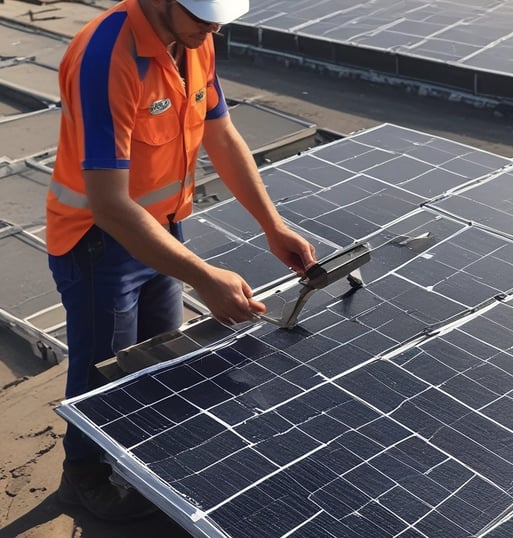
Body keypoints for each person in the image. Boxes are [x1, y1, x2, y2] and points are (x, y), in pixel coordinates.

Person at [46, 0, 316, 521]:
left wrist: (272, 224)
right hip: (100, 244)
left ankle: (137, 463)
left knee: (159, 358)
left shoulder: (194, 39)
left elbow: (220, 133)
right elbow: (109, 203)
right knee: (103, 372)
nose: (213, 30)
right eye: (202, 18)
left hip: (162, 232)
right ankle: (83, 476)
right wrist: (204, 277)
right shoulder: (107, 57)